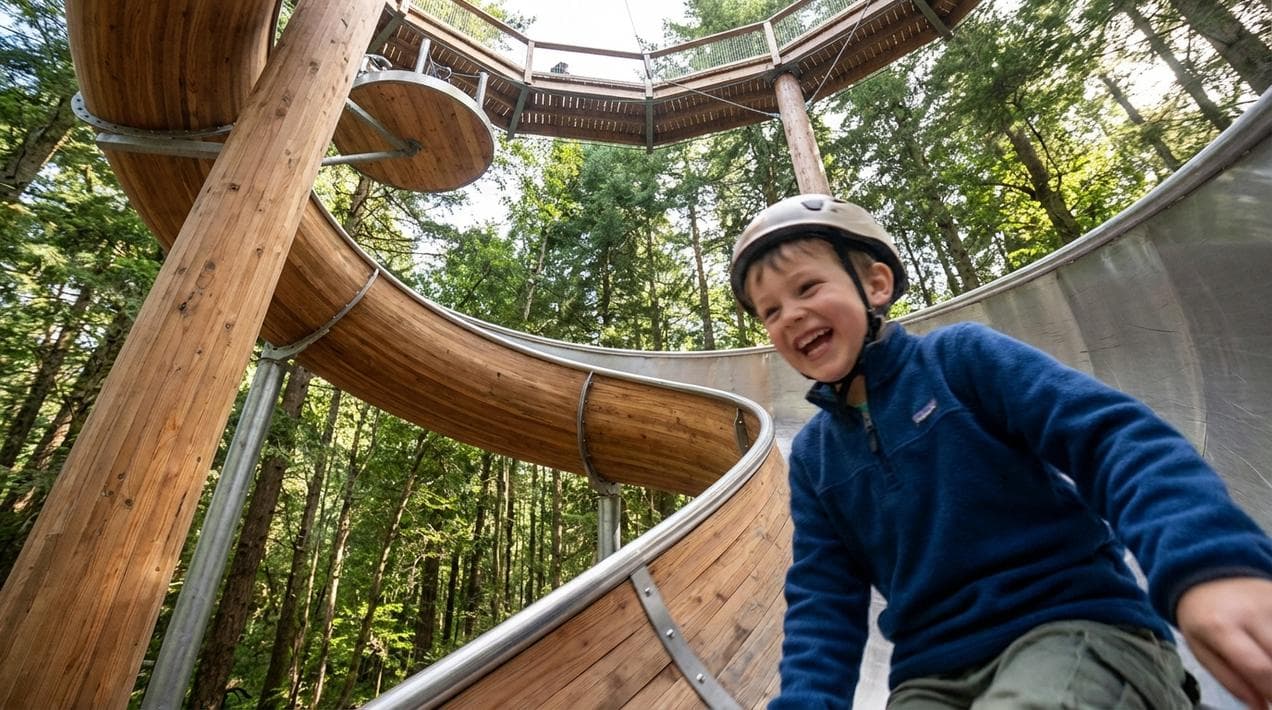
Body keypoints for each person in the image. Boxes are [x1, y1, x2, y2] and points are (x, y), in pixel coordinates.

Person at [728, 194, 1272, 709]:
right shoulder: (814, 457)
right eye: (770, 311)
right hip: (929, 675)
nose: (790, 315)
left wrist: (1209, 563)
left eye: (806, 288)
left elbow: (1111, 439)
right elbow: (823, 600)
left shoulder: (960, 361)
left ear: (874, 284)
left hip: (1073, 628)